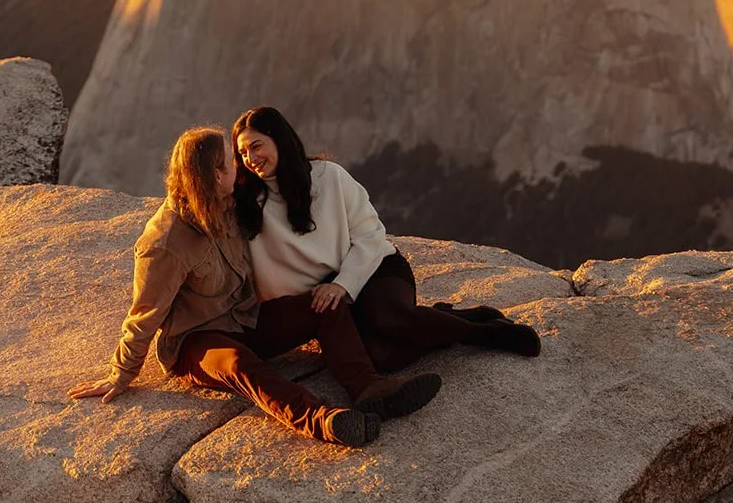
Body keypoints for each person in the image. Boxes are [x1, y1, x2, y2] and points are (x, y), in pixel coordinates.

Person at [68, 125, 438, 447]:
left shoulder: (229, 205)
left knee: (323, 304)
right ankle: (323, 420)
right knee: (238, 363)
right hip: (197, 340)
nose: (240, 166)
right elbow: (145, 313)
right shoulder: (165, 243)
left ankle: (369, 388)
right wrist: (122, 372)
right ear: (216, 176)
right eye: (232, 162)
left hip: (247, 317)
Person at [231, 107, 542, 375]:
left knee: (388, 318)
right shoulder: (247, 204)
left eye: (257, 146)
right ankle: (449, 316)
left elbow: (370, 234)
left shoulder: (329, 177)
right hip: (326, 299)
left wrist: (343, 284)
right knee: (381, 359)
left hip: (373, 268)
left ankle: (484, 332)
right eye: (242, 153)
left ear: (279, 139)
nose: (251, 158)